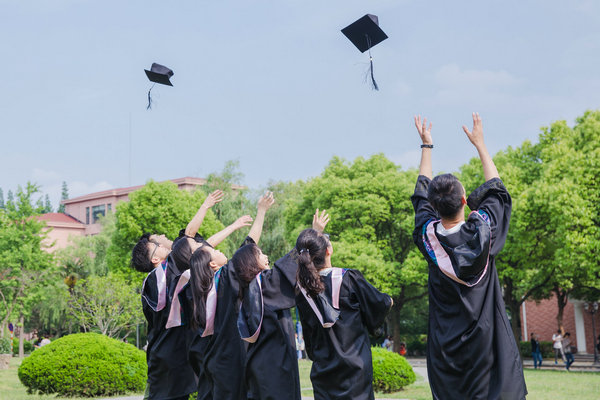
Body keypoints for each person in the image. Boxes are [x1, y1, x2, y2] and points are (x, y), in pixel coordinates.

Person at [411, 113, 526, 400]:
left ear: (434, 208)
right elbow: (497, 190)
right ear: (465, 200)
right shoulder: (484, 232)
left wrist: (427, 146)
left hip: (445, 352)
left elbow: (420, 195)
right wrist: (481, 146)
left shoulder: (427, 236)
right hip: (486, 348)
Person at [167, 192, 274, 400]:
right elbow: (249, 246)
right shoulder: (223, 279)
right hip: (230, 357)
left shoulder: (190, 289)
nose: (210, 244)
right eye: (204, 247)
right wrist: (260, 212)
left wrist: (235, 225)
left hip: (209, 358)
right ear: (207, 262)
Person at [131, 190, 225, 400]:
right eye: (157, 243)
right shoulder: (159, 276)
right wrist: (205, 205)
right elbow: (188, 238)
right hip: (167, 354)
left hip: (173, 351)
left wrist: (235, 225)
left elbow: (202, 246)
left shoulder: (163, 276)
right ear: (155, 258)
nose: (163, 241)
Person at [234, 208, 328, 400]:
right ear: (250, 262)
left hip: (263, 365)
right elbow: (289, 265)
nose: (266, 256)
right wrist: (313, 235)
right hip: (273, 367)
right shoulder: (263, 285)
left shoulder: (251, 290)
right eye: (260, 254)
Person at [294, 222, 393, 400]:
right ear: (328, 251)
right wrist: (389, 301)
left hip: (324, 371)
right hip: (355, 371)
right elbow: (379, 304)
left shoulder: (302, 293)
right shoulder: (349, 279)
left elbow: (309, 337)